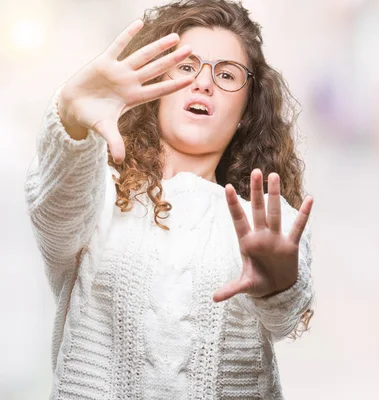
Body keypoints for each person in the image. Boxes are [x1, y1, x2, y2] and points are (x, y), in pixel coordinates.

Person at [24, 0, 315, 398]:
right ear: (155, 87)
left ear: (247, 109)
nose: (204, 83)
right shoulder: (99, 192)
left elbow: (285, 317)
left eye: (227, 74)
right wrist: (72, 115)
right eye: (186, 66)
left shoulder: (266, 219)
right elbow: (55, 219)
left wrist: (279, 286)